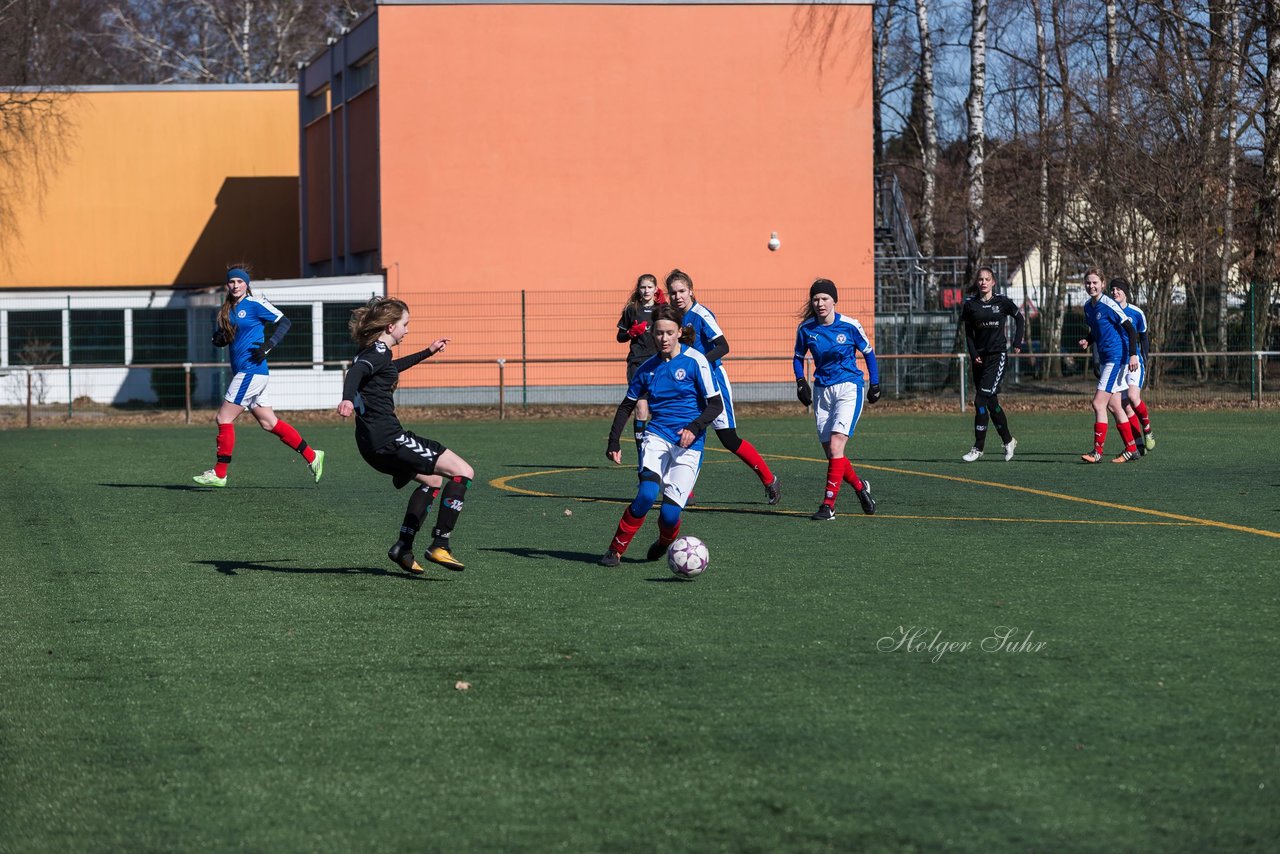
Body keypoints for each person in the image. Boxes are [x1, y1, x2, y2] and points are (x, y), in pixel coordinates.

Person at [337, 296, 472, 572]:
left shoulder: (377, 352)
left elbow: (389, 369)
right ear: (390, 327)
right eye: (405, 324)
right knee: (463, 472)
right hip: (389, 439)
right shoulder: (375, 353)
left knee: (432, 480)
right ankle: (440, 545)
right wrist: (347, 398)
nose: (407, 330)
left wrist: (428, 351)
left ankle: (403, 547)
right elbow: (356, 373)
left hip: (370, 446)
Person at [599, 304, 724, 566]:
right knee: (646, 494)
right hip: (656, 436)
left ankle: (666, 541)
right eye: (658, 333)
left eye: (669, 332)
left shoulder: (696, 361)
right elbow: (626, 406)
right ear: (652, 334)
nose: (664, 338)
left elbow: (715, 405)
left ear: (679, 332)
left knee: (669, 515)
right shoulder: (647, 368)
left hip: (689, 444)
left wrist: (694, 427)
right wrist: (613, 441)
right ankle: (615, 550)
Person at [193, 267, 325, 487]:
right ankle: (313, 456)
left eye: (239, 281)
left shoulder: (255, 303)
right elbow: (231, 336)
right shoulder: (227, 309)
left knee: (223, 418)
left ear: (247, 284)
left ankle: (220, 473)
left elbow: (285, 322)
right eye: (231, 282)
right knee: (268, 422)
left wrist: (268, 346)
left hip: (251, 371)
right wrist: (221, 338)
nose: (235, 285)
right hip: (248, 373)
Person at [663, 268, 780, 505]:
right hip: (689, 386)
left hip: (713, 383)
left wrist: (699, 363)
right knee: (684, 433)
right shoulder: (673, 319)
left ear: (691, 291)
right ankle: (684, 492)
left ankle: (770, 480)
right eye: (673, 293)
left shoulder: (702, 314)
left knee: (728, 439)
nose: (678, 297)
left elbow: (723, 346)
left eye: (682, 291)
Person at [793, 278, 879, 520]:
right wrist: (801, 382)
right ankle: (861, 488)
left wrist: (875, 383)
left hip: (848, 388)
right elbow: (798, 357)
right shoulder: (806, 329)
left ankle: (828, 506)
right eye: (816, 299)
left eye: (825, 299)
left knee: (836, 446)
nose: (820, 303)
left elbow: (869, 353)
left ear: (834, 301)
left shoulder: (850, 326)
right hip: (822, 391)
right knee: (832, 454)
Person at [958, 266, 1025, 462]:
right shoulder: (970, 305)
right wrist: (973, 354)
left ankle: (978, 448)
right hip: (980, 358)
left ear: (993, 282)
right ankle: (1008, 441)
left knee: (980, 401)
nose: (984, 282)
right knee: (991, 403)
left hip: (997, 356)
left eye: (987, 279)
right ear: (977, 282)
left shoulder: (1002, 301)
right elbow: (968, 333)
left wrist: (1017, 342)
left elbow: (1019, 318)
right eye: (981, 279)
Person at [1077, 269, 1141, 463]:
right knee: (1114, 405)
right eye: (1088, 283)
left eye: (1095, 282)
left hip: (1116, 359)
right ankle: (1132, 448)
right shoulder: (1088, 307)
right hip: (1107, 359)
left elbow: (1130, 329)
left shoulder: (1109, 304)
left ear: (1102, 284)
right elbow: (1096, 330)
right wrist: (1088, 340)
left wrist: (1132, 355)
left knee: (1098, 403)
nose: (1091, 286)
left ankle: (1097, 453)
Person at [615, 273, 666, 461]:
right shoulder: (631, 310)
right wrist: (630, 332)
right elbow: (619, 337)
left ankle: (662, 449)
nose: (646, 291)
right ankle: (642, 456)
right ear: (639, 289)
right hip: (637, 362)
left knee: (661, 407)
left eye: (649, 287)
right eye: (643, 287)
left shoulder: (662, 309)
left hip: (660, 362)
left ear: (655, 289)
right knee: (641, 408)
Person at [1109, 277, 1156, 454]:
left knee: (1133, 397)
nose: (1115, 292)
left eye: (1118, 289)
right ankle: (1138, 444)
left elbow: (1143, 335)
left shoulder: (1136, 312)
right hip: (1116, 363)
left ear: (1125, 292)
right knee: (1125, 406)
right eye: (1112, 289)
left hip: (1134, 362)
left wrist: (1144, 356)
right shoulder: (1108, 311)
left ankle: (1148, 430)